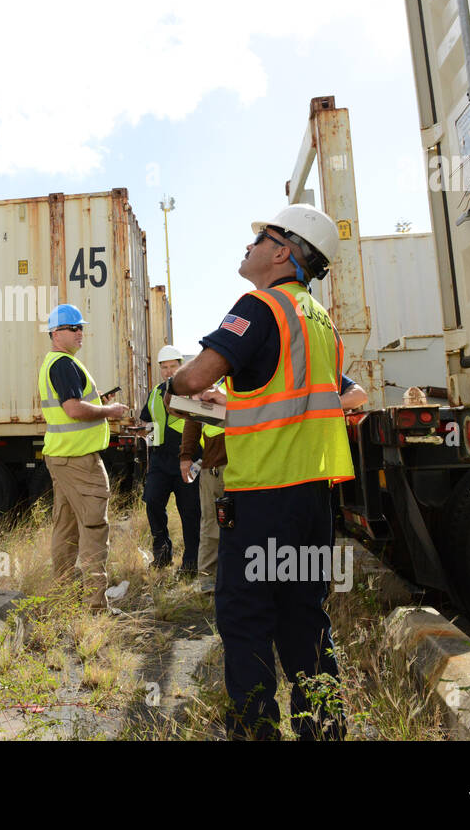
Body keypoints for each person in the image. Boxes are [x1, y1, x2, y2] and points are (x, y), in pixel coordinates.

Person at [167, 203, 357, 740]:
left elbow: (197, 375)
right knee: (305, 617)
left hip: (262, 498)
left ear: (282, 252)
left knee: (246, 617)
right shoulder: (321, 321)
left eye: (260, 240)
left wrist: (172, 387)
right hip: (311, 497)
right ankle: (323, 726)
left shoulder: (258, 306)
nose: (248, 247)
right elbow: (291, 399)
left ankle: (256, 730)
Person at [38, 303, 129, 611]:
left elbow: (73, 405)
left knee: (65, 530)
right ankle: (95, 606)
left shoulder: (58, 363)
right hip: (79, 461)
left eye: (81, 328)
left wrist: (99, 402)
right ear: (55, 333)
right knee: (93, 527)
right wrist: (110, 410)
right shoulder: (63, 364)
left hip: (63, 457)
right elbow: (74, 410)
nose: (80, 333)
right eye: (73, 328)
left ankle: (63, 600)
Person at [139, 346, 202, 577]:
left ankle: (191, 562)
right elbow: (148, 421)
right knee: (153, 502)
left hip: (189, 459)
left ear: (181, 365)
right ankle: (162, 555)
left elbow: (199, 419)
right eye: (164, 367)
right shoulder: (155, 392)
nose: (168, 371)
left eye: (172, 366)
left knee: (190, 511)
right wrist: (148, 440)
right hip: (160, 461)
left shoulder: (192, 389)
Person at [179, 387, 227, 594]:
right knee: (211, 523)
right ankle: (208, 578)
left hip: (248, 464)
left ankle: (238, 576)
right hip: (215, 467)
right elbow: (192, 417)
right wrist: (186, 456)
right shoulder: (208, 379)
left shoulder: (244, 378)